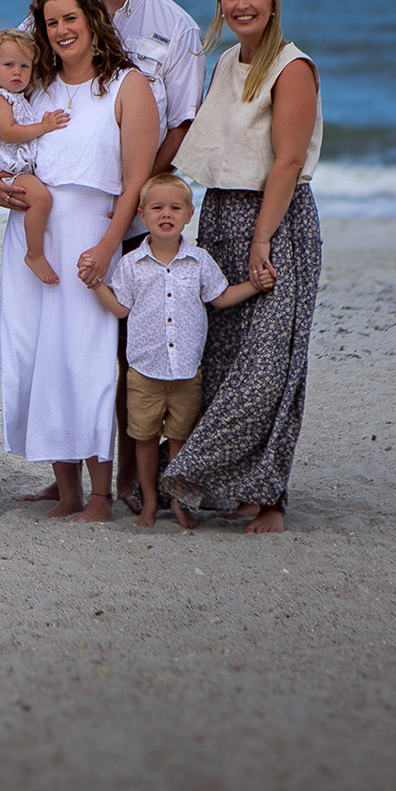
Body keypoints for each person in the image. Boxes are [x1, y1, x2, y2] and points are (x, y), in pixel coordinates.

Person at [165, 0, 323, 533]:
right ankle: (237, 487)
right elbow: (210, 151)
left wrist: (263, 240)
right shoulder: (228, 62)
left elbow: (287, 161)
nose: (241, 5)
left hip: (276, 222)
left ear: (273, 1)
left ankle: (266, 498)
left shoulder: (292, 66)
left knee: (269, 365)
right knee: (225, 359)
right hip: (222, 215)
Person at [0, 0, 157, 523]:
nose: (61, 30)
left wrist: (108, 246)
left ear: (92, 19)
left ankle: (99, 497)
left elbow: (137, 179)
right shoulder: (33, 88)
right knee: (34, 355)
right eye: (51, 22)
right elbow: (2, 149)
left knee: (87, 362)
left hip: (91, 233)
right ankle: (64, 491)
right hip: (31, 235)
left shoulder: (126, 86)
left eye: (70, 18)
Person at [93, 174, 273, 529]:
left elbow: (220, 298)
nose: (166, 214)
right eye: (157, 207)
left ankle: (179, 501)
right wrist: (96, 284)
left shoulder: (199, 260)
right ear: (142, 215)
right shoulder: (131, 264)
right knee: (143, 440)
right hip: (143, 372)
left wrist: (253, 286)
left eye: (175, 207)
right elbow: (121, 309)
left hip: (187, 372)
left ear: (190, 214)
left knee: (180, 440)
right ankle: (148, 502)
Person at [0, 29, 69, 285]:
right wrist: (44, 127)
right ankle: (34, 254)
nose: (17, 72)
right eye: (9, 65)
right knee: (42, 200)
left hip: (17, 167)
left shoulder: (18, 98)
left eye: (24, 66)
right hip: (8, 169)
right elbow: (8, 132)